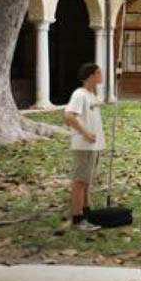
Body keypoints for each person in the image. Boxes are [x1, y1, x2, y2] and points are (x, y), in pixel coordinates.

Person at [63, 63, 105, 233]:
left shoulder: (91, 95)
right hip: (83, 146)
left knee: (87, 181)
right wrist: (86, 133)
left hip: (94, 146)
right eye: (99, 73)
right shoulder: (79, 94)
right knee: (80, 181)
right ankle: (77, 218)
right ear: (91, 76)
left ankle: (87, 212)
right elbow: (68, 116)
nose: (101, 75)